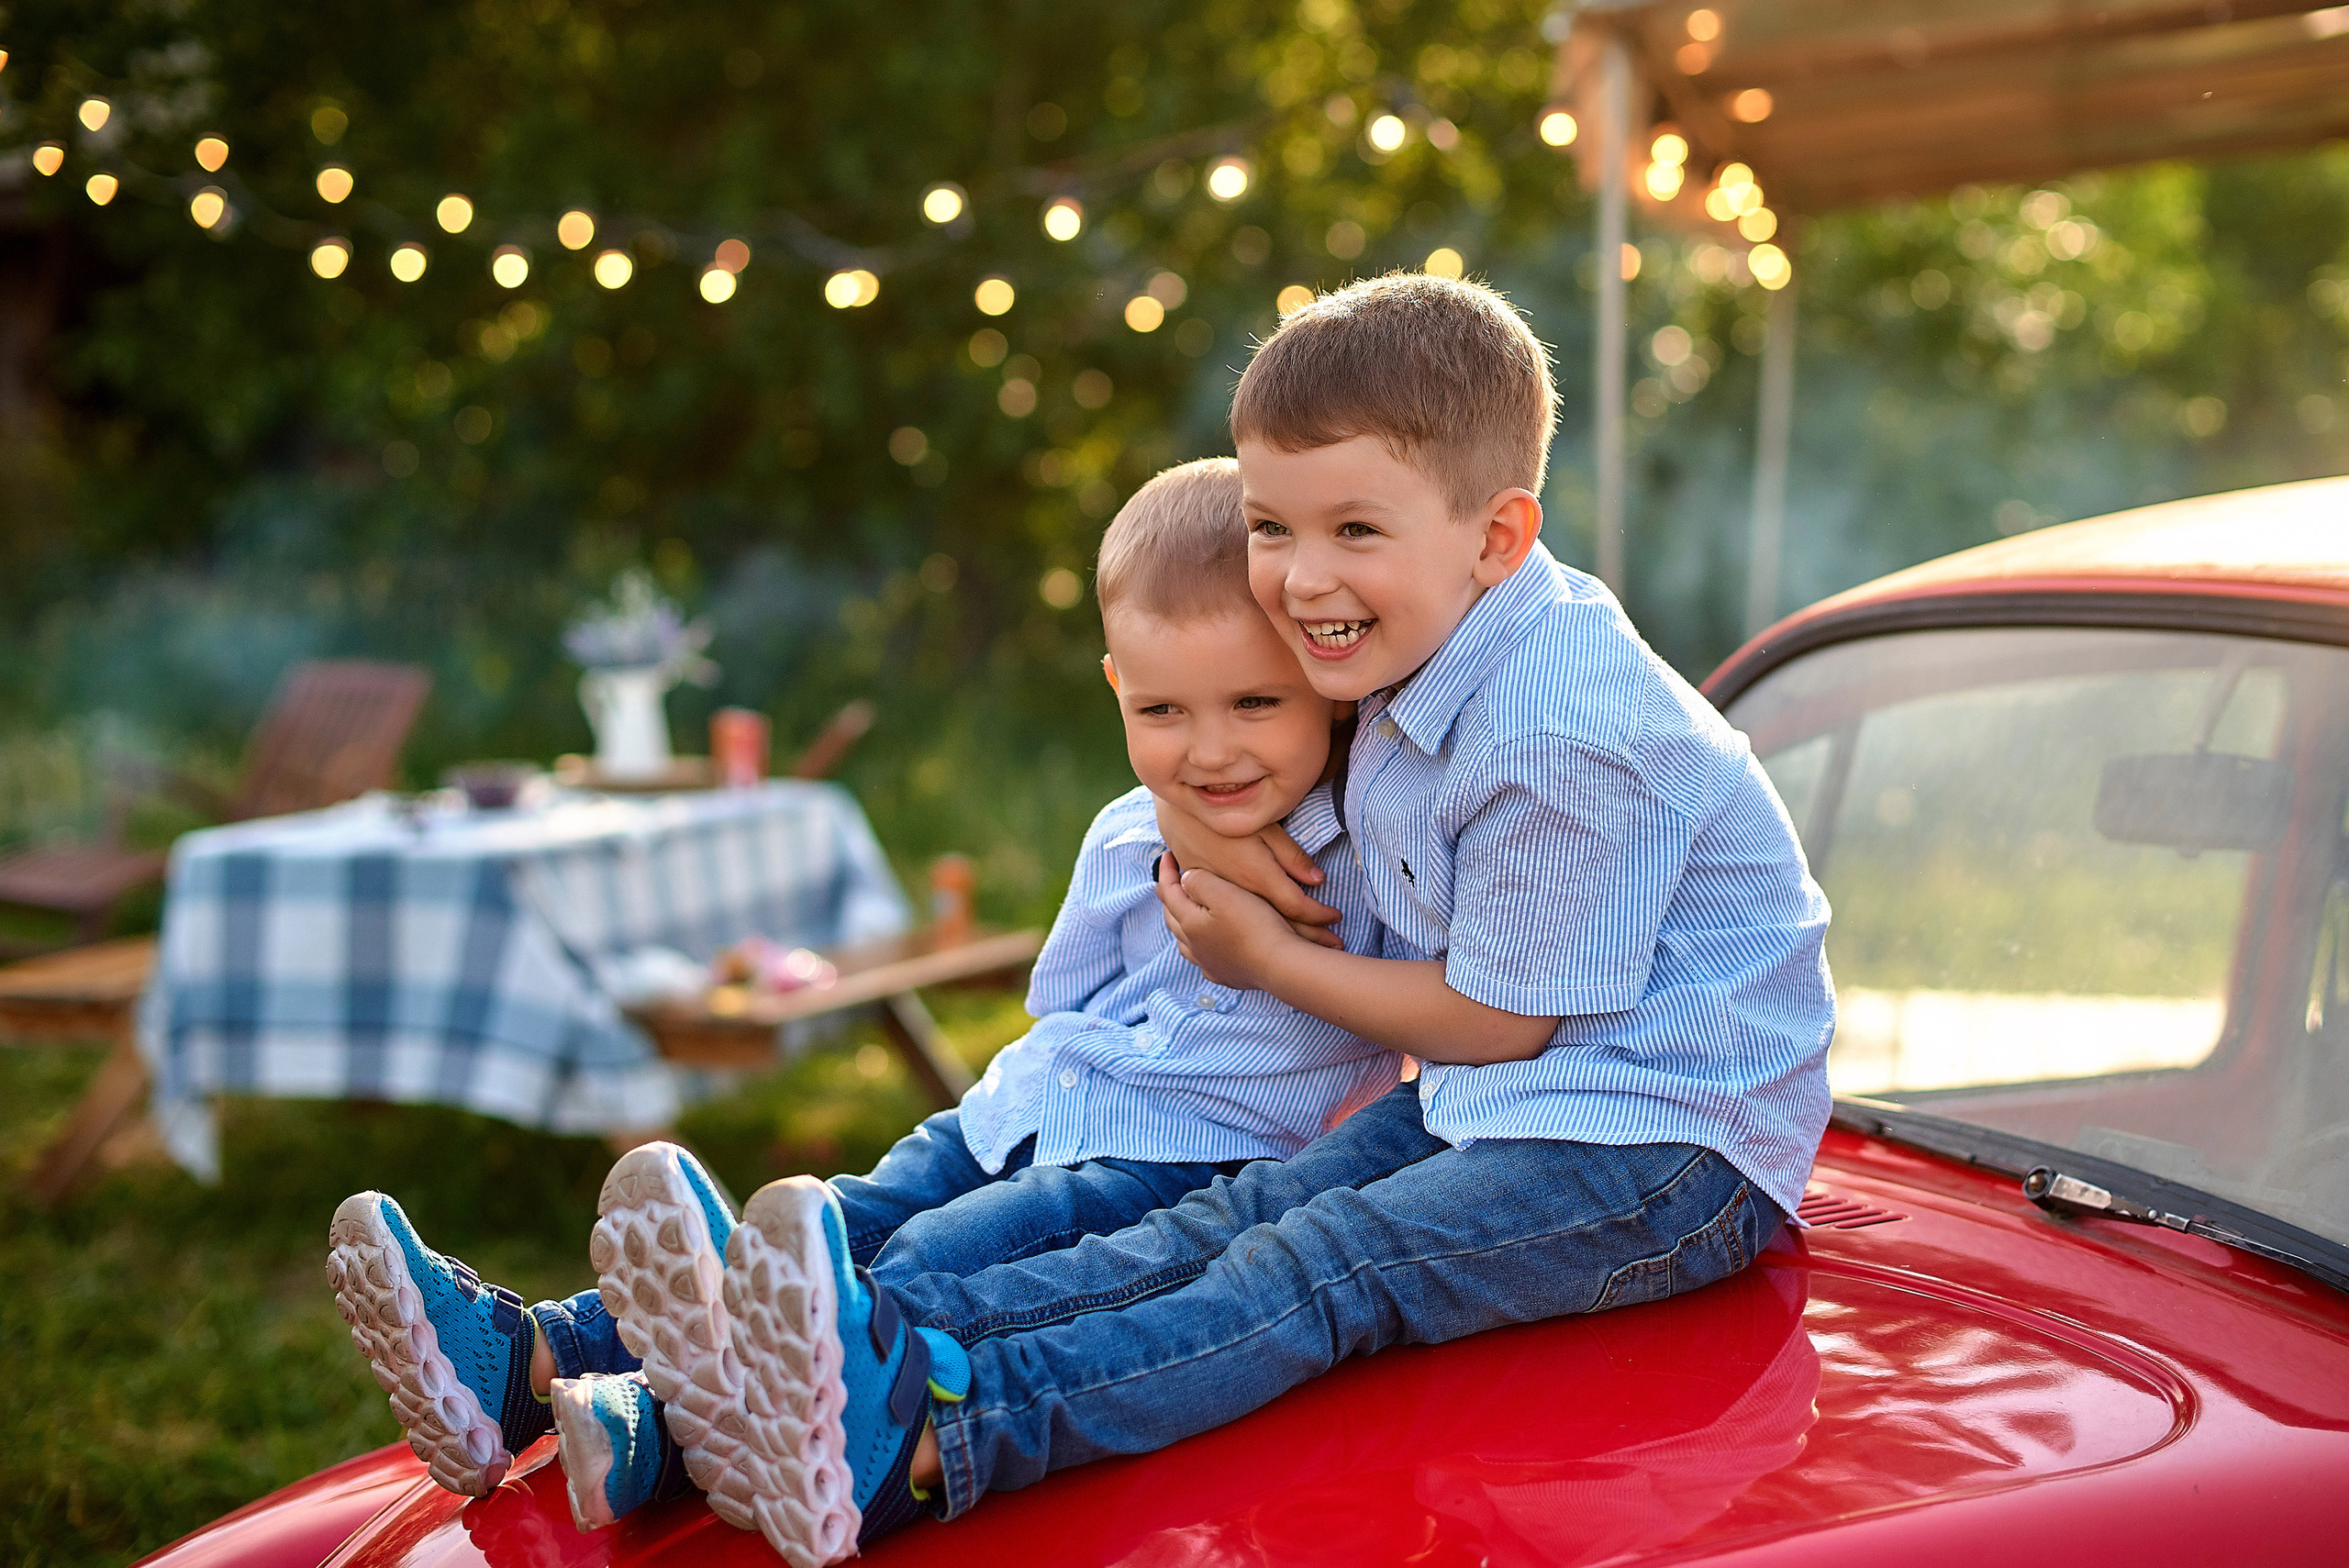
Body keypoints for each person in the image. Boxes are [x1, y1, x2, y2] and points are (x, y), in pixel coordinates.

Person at [653, 272, 1834, 1567]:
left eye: (1353, 529)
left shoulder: (1559, 732)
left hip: (1667, 1144)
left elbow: (1503, 1021)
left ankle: (944, 1425)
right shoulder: (1420, 632)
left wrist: (1263, 957)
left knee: (1324, 1261)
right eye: (1273, 525)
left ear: (1496, 536)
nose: (1300, 577)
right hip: (1518, 1094)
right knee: (1243, 1214)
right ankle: (797, 1379)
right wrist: (1195, 824)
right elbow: (1237, 751)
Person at [323, 456, 1401, 1539]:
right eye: (1163, 708)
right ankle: (529, 1354)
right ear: (1117, 685)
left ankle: (653, 1424)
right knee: (837, 1216)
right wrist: (1182, 838)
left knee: (931, 1258)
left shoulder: (1373, 849)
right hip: (1027, 1103)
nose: (1209, 750)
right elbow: (1066, 996)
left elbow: (1403, 1011)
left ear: (1332, 679)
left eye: (1255, 702)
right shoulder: (1131, 824)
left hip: (1179, 1150)